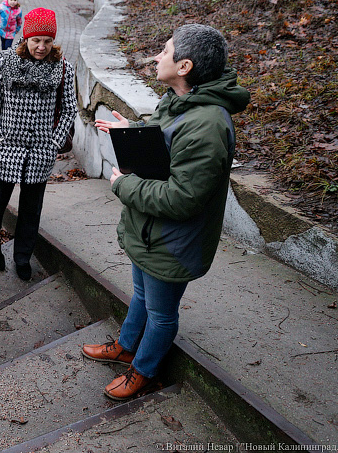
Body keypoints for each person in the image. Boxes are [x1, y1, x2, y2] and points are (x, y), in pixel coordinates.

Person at [81, 24, 250, 401]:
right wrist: (132, 130)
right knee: (142, 295)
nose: (157, 56)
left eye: (166, 51)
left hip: (173, 241)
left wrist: (123, 184)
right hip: (150, 232)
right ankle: (126, 346)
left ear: (184, 66)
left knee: (161, 314)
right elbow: (166, 140)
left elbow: (182, 198)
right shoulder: (180, 100)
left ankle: (144, 370)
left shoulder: (207, 126)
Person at [0, 7, 77, 281]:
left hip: (40, 151)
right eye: (36, 40)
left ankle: (22, 257)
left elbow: (70, 109)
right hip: (7, 147)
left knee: (31, 208)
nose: (42, 47)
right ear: (26, 38)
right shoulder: (3, 62)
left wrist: (54, 143)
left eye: (47, 41)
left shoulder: (63, 68)